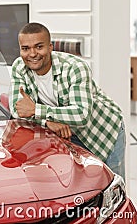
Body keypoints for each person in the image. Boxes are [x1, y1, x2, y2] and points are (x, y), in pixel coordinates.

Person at [9, 22, 125, 179]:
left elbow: (81, 114)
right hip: (65, 133)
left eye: (39, 46)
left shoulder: (75, 68)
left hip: (102, 131)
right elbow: (18, 110)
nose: (32, 54)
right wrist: (47, 122)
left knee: (112, 184)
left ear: (50, 47)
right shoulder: (19, 67)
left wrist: (37, 110)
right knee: (81, 185)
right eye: (25, 48)